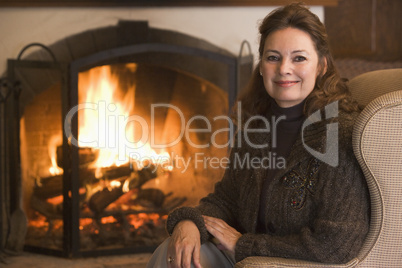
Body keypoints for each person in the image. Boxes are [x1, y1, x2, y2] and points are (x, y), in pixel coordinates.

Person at [147, 3, 370, 267]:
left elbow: (336, 244)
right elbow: (227, 200)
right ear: (262, 65)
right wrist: (188, 221)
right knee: (173, 252)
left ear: (321, 66)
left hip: (292, 262)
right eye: (273, 57)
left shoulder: (340, 134)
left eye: (299, 58)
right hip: (242, 256)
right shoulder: (256, 125)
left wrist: (244, 245)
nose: (284, 68)